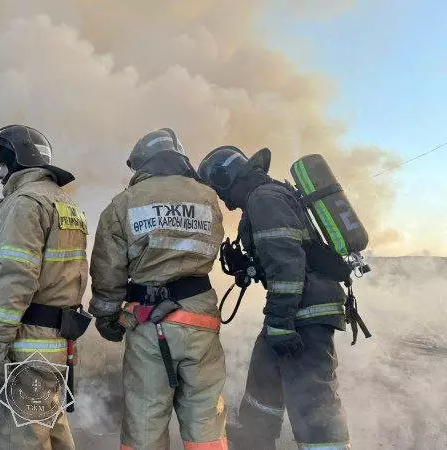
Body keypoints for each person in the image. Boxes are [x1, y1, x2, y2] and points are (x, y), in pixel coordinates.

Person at [197, 146, 351, 450]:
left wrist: (281, 322)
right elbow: (286, 256)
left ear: (227, 180)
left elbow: (287, 264)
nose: (223, 200)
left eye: (219, 190)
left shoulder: (264, 199)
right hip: (295, 308)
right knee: (264, 375)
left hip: (304, 312)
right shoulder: (268, 196)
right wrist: (248, 267)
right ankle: (256, 438)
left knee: (312, 399)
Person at [88, 129, 228, 450]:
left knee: (146, 419)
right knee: (206, 420)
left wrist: (107, 317)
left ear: (143, 163)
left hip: (150, 324)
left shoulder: (124, 203)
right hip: (202, 320)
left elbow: (107, 271)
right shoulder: (207, 197)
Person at [0, 124, 89, 450]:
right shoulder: (66, 204)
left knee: (18, 441)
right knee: (52, 437)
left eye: (3, 163)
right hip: (55, 344)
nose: (0, 174)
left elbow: (17, 277)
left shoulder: (25, 203)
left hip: (26, 346)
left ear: (20, 160)